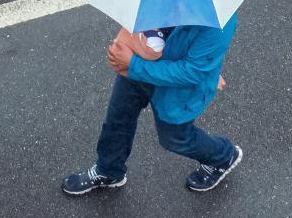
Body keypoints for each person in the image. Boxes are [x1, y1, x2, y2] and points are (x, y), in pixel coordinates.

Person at [63, 16, 241, 196]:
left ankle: (223, 156)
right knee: (118, 119)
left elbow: (192, 72)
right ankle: (108, 170)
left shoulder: (220, 21)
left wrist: (132, 64)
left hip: (174, 87)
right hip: (141, 60)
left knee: (175, 139)